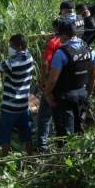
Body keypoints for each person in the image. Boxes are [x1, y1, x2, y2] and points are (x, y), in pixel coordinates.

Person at [44, 20, 95, 146]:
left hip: (64, 98)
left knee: (64, 135)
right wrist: (88, 93)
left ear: (63, 35)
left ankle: (64, 161)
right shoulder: (90, 49)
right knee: (81, 131)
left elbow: (52, 80)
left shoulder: (61, 53)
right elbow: (94, 75)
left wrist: (47, 94)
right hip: (82, 95)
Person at [36, 20, 61, 151]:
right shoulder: (75, 42)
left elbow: (45, 63)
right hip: (66, 84)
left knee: (44, 115)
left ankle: (42, 147)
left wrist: (43, 81)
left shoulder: (53, 43)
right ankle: (58, 141)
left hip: (52, 81)